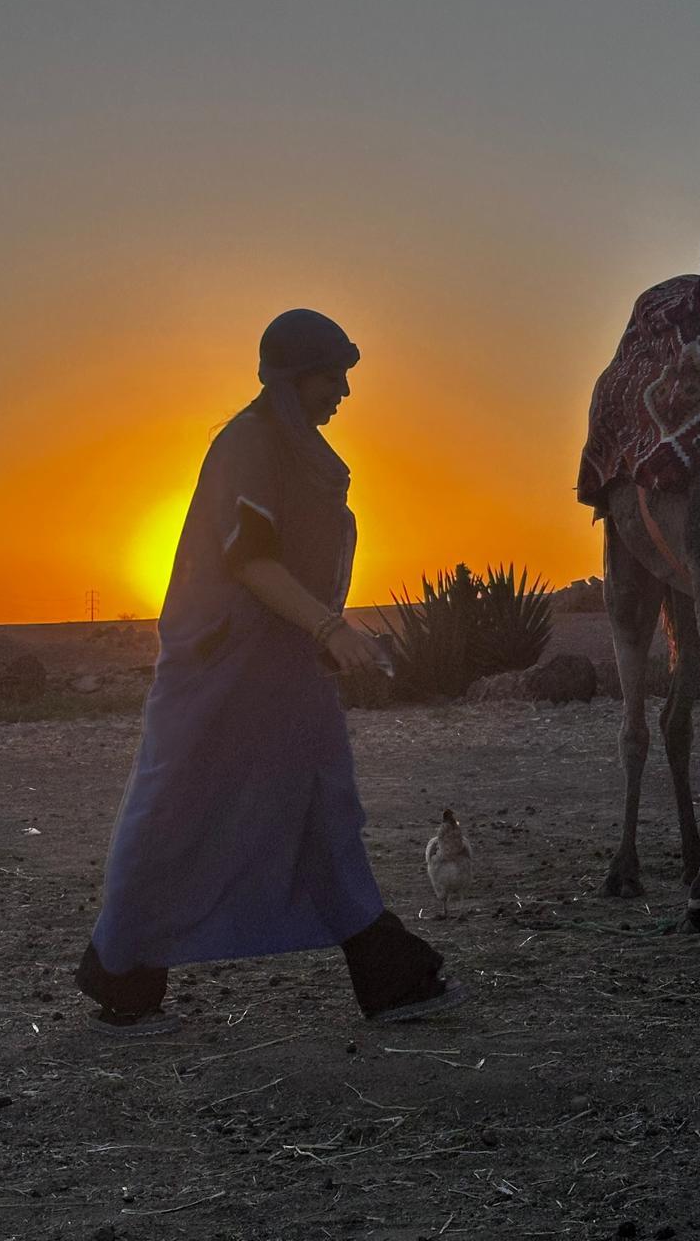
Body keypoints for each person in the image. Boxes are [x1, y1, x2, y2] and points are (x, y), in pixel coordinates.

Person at [74, 309, 468, 1036]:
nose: (343, 391)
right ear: (291, 380)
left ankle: (385, 970)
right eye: (331, 375)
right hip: (222, 669)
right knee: (173, 811)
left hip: (281, 672)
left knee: (320, 802)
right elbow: (249, 559)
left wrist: (324, 631)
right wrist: (328, 626)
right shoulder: (249, 445)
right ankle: (122, 970)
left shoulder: (295, 449)